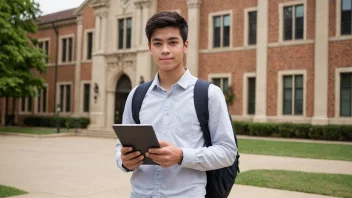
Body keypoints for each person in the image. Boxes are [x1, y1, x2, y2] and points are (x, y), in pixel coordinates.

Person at [115, 11, 237, 198]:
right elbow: (120, 148)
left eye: (172, 42)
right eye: (157, 43)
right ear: (150, 48)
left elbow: (228, 152)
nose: (165, 50)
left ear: (185, 45)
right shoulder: (136, 95)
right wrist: (124, 161)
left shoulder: (209, 94)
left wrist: (181, 156)